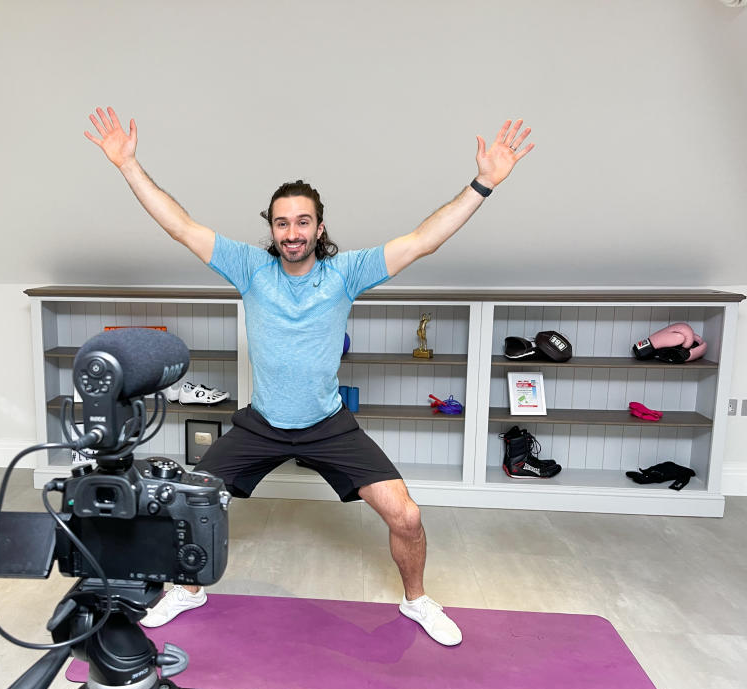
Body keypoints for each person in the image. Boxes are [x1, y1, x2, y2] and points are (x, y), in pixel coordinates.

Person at [85, 106, 533, 647]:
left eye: (302, 222)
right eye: (281, 222)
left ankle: (416, 601)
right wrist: (128, 165)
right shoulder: (249, 268)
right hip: (262, 422)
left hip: (327, 423)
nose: (292, 232)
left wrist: (484, 182)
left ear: (319, 227)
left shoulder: (346, 272)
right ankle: (187, 588)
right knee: (186, 500)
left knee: (407, 516)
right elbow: (181, 226)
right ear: (271, 229)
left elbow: (422, 240)